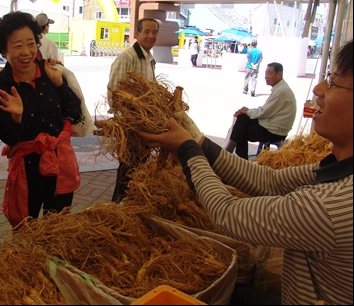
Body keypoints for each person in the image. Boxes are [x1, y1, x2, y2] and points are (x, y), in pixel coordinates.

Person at [137, 39, 353, 305]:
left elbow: (227, 213)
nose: (319, 88)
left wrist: (186, 149)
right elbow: (269, 181)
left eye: (333, 82)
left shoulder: (333, 206)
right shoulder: (338, 170)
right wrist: (198, 140)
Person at [0, 11, 84, 228]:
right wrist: (17, 116)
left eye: (31, 44)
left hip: (60, 162)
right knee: (25, 231)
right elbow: (9, 137)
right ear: (4, 50)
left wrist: (59, 83)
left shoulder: (50, 70)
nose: (26, 52)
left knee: (57, 231)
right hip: (26, 170)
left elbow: (75, 113)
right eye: (17, 45)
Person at [107, 17, 159, 203]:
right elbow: (114, 92)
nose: (151, 35)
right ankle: (117, 211)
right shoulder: (127, 57)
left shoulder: (149, 59)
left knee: (140, 171)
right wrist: (127, 122)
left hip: (145, 127)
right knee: (127, 171)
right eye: (146, 31)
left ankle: (130, 209)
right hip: (131, 127)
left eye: (154, 32)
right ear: (137, 34)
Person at [224, 62, 297, 159]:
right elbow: (265, 109)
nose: (266, 76)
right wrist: (245, 111)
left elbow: (264, 112)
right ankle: (232, 153)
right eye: (266, 73)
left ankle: (234, 156)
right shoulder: (280, 88)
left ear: (279, 74)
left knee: (241, 131)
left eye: (269, 73)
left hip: (274, 131)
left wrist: (247, 111)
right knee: (242, 119)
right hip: (270, 124)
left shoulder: (281, 91)